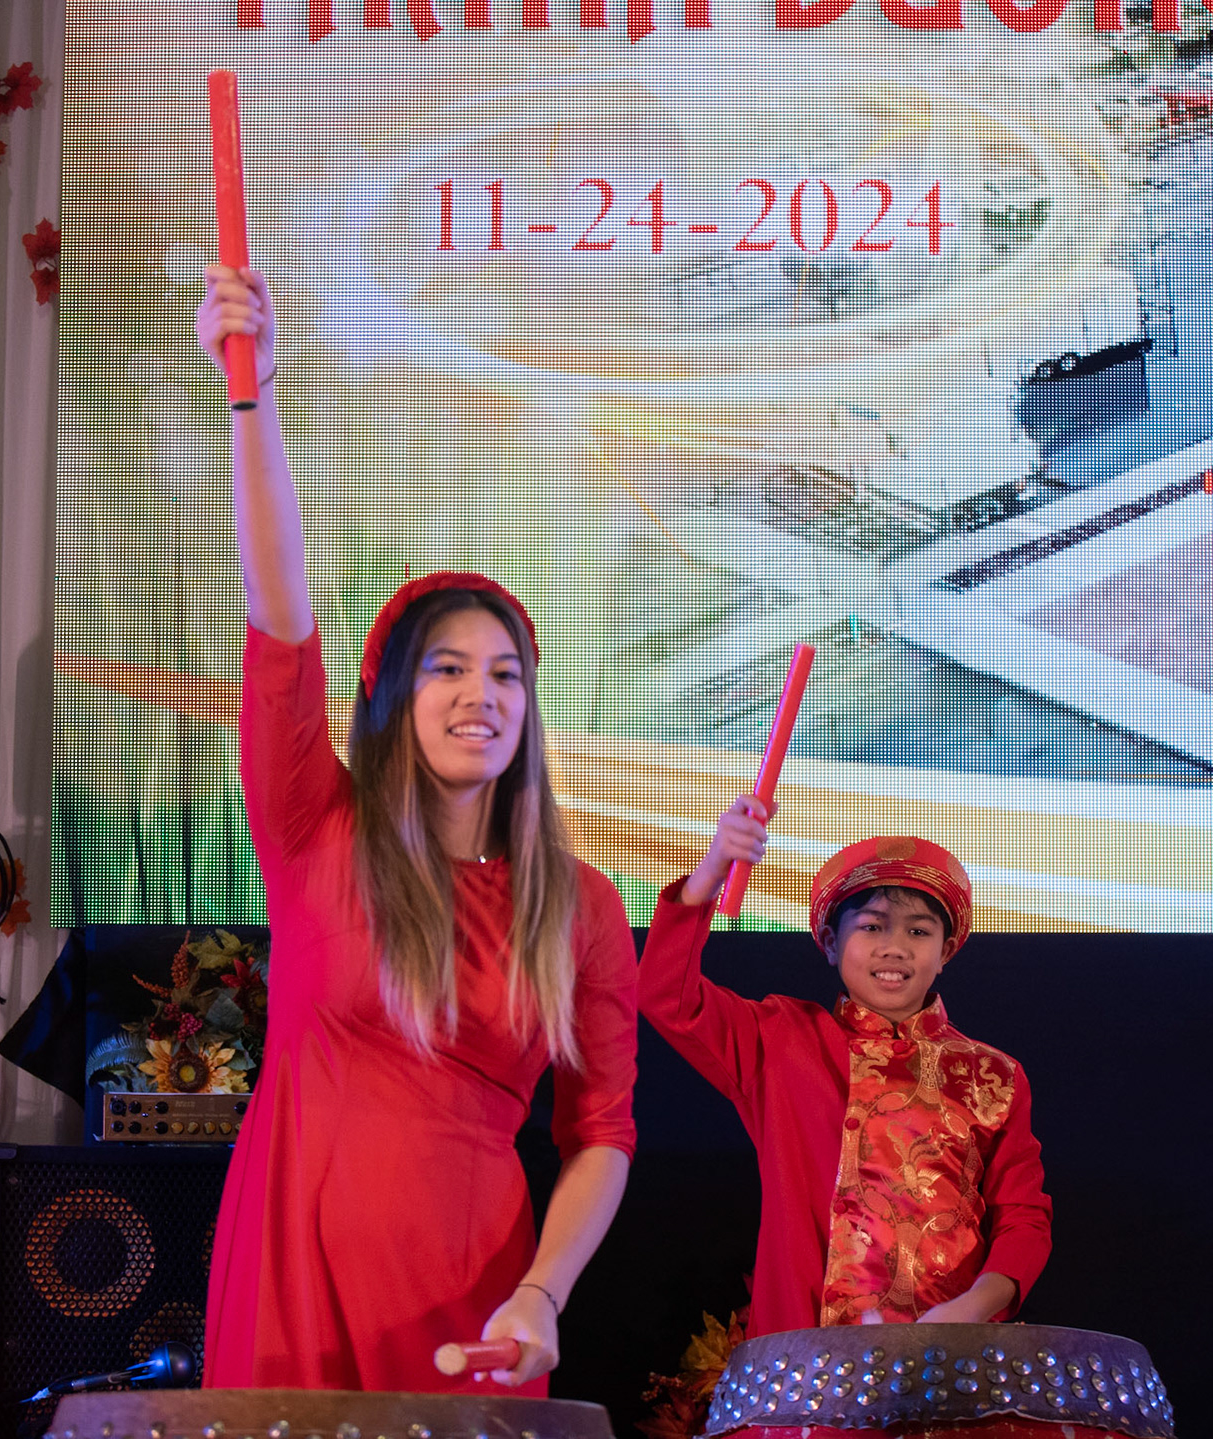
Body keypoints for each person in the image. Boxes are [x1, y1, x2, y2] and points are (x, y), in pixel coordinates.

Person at [193, 266, 637, 1392]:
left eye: (505, 673)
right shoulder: (317, 824)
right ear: (395, 694)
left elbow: (601, 1132)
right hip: (294, 1284)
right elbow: (278, 607)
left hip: (477, 1297)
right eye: (447, 667)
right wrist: (253, 395)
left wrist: (542, 1292)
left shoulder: (581, 904)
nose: (480, 692)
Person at [639, 822, 1051, 1337]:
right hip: (802, 1351)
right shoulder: (781, 1040)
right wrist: (712, 871)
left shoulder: (992, 1075)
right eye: (872, 927)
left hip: (945, 1348)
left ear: (946, 952)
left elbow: (1023, 1218)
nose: (895, 948)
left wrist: (973, 1307)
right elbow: (667, 997)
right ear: (832, 943)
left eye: (918, 932)